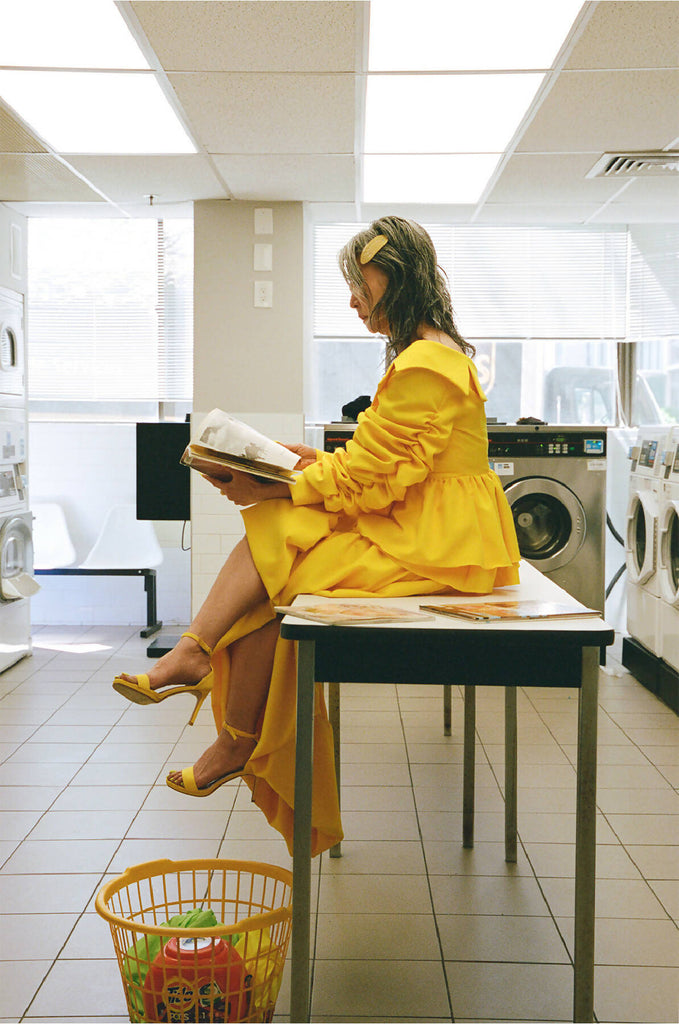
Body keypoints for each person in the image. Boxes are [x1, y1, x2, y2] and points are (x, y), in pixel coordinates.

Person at [113, 216, 520, 857]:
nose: (353, 300)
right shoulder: (431, 354)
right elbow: (386, 465)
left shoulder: (425, 365)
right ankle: (208, 684)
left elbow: (370, 478)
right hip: (430, 528)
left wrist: (277, 484)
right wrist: (299, 463)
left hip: (441, 546)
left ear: (396, 277)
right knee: (282, 553)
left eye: (360, 284)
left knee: (282, 556)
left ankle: (218, 701)